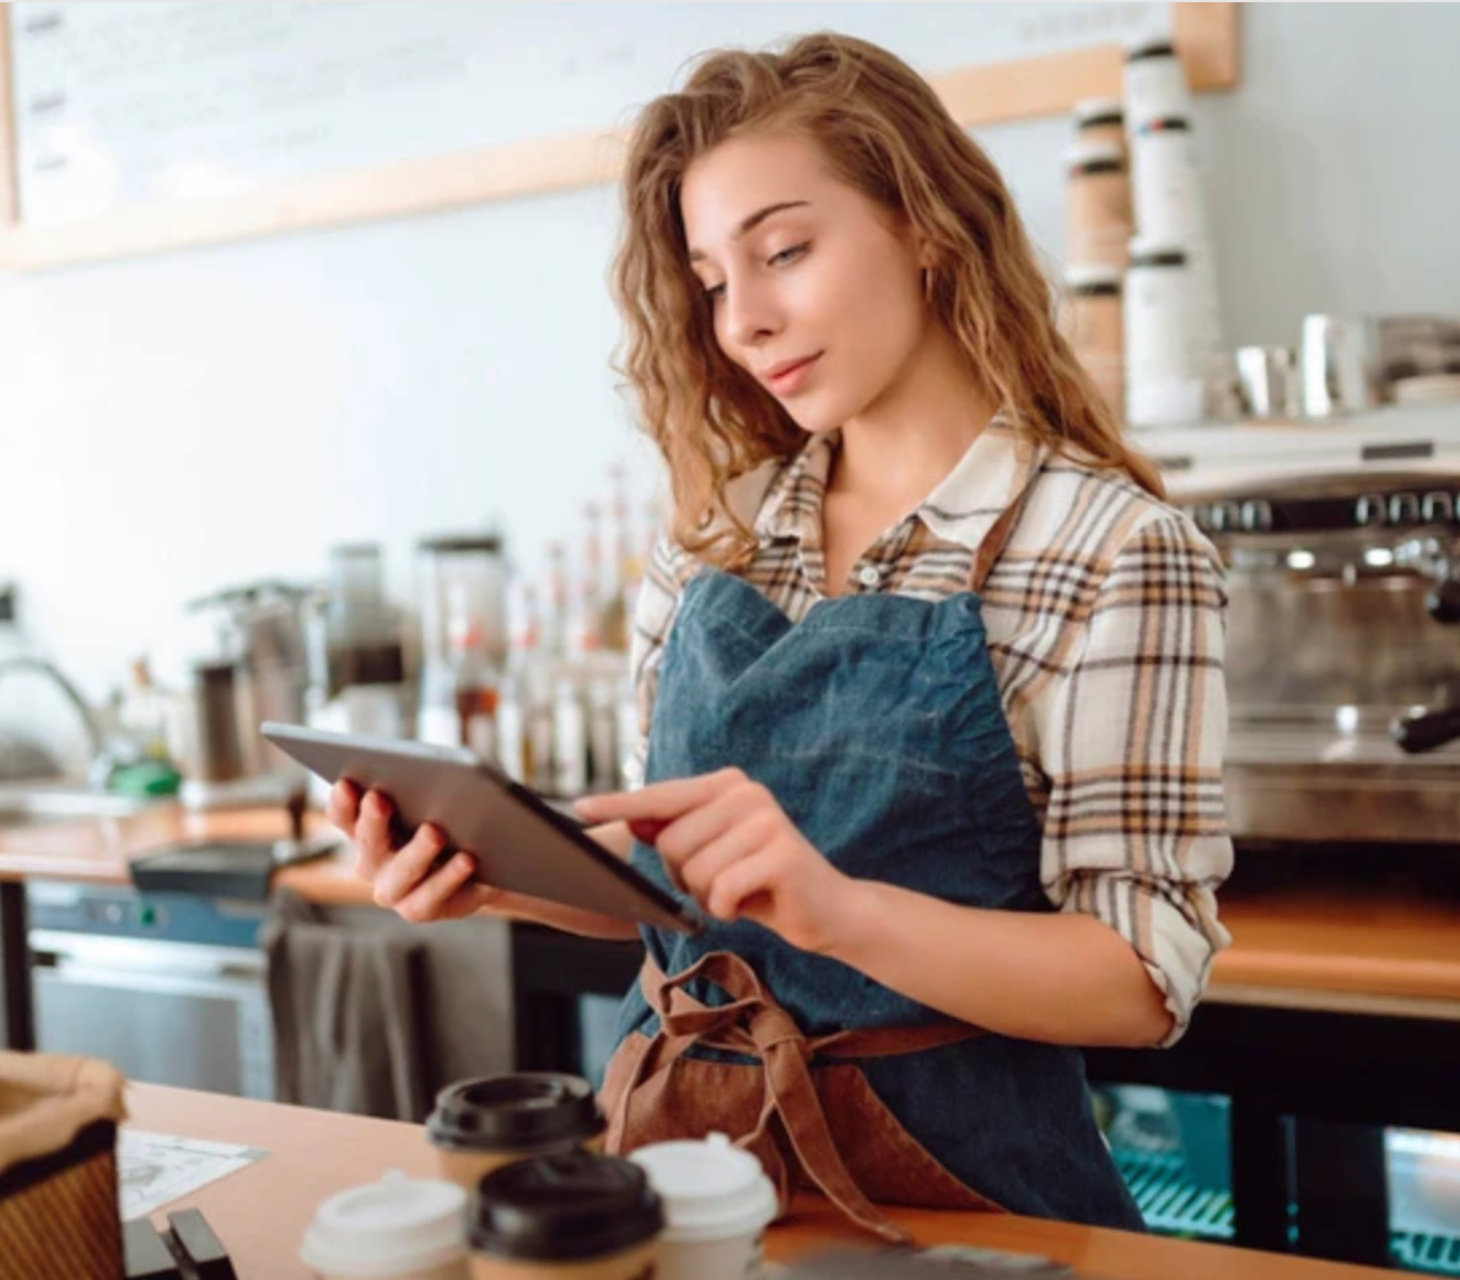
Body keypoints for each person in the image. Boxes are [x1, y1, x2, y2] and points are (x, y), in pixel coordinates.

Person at [330, 31, 1232, 1238]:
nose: (744, 319)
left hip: (953, 1209)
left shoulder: (1113, 549)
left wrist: (837, 908)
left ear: (924, 223)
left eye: (785, 251)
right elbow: (676, 894)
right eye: (710, 281)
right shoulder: (713, 540)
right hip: (675, 1179)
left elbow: (1140, 978)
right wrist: (503, 873)